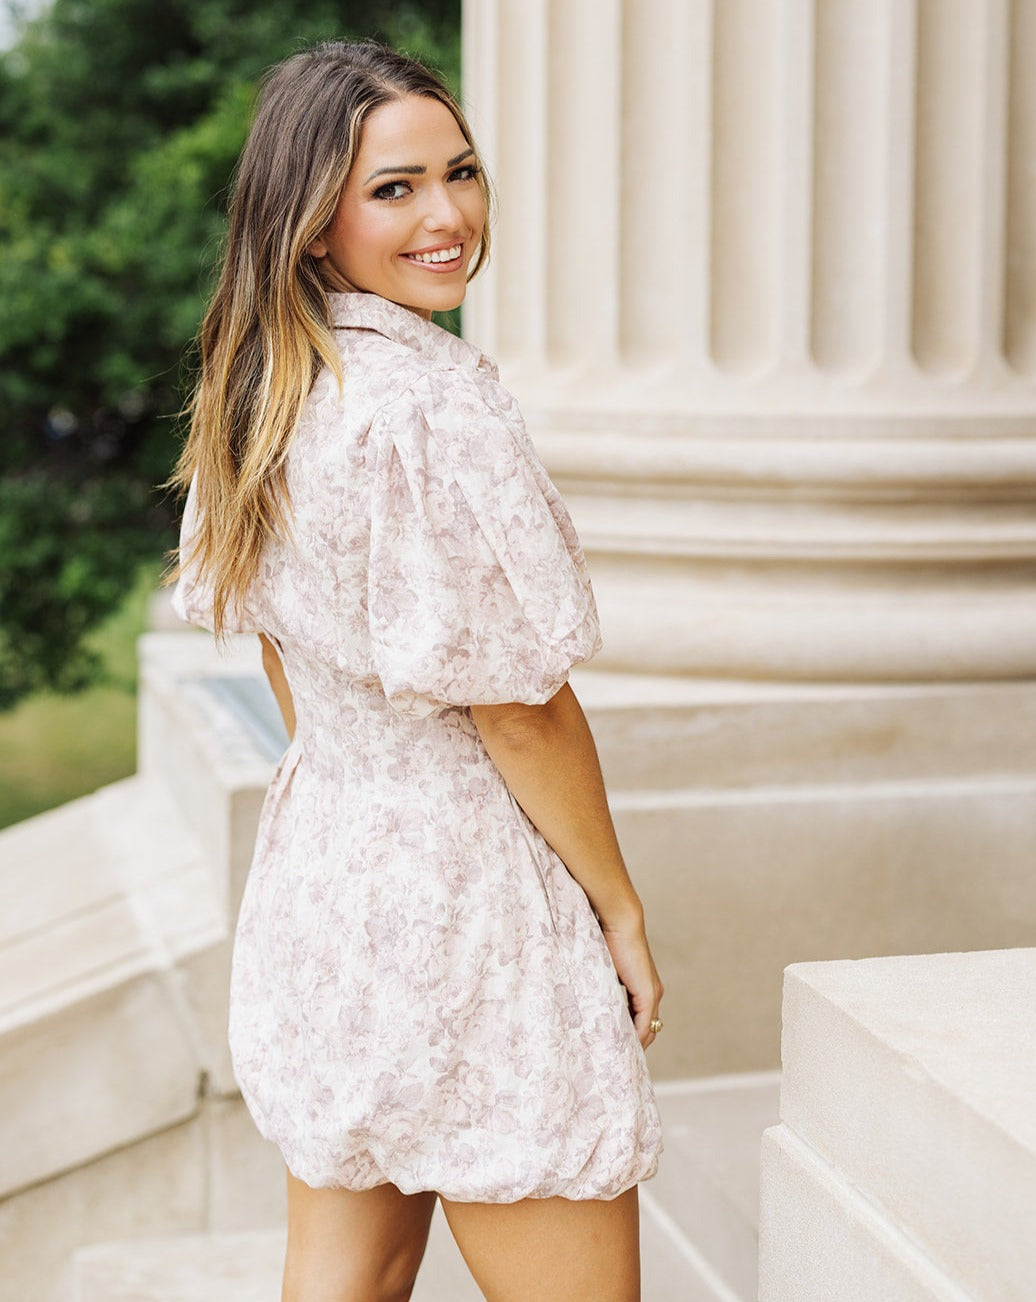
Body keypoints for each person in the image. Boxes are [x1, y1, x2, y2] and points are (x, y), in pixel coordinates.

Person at [170, 39, 664, 1302]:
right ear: (313, 219)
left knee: (342, 1278)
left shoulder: (262, 390)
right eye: (393, 188)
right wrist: (613, 902)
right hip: (469, 899)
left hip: (328, 876)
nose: (447, 215)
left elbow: (287, 661)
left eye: (461, 173)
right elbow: (517, 706)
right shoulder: (427, 407)